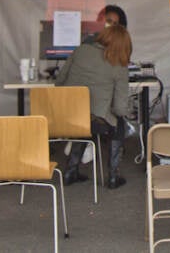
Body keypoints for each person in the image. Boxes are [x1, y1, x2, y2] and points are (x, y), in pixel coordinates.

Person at [56, 22, 132, 189]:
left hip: (67, 115)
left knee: (83, 122)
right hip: (94, 119)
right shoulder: (119, 65)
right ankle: (113, 176)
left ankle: (71, 170)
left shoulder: (80, 50)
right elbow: (119, 108)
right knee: (119, 125)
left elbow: (60, 81)